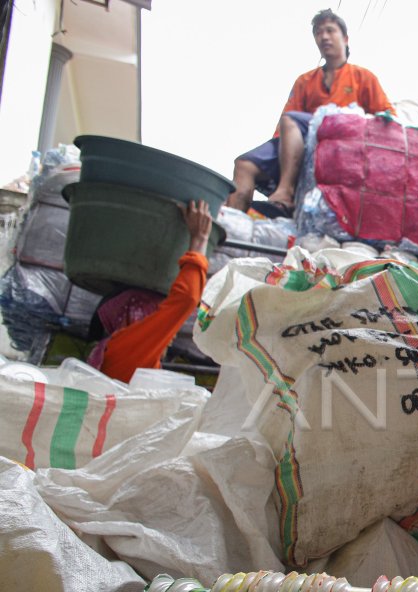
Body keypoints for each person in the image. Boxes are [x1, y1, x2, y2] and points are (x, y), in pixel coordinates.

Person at [226, 8, 393, 217]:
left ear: (345, 38)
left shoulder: (363, 77)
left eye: (330, 31)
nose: (324, 36)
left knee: (291, 121)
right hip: (300, 141)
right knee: (244, 164)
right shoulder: (305, 81)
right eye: (318, 32)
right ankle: (231, 223)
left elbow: (387, 116)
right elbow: (283, 129)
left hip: (340, 143)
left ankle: (285, 193)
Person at [87, 200, 212, 383]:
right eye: (159, 314)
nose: (173, 334)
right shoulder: (127, 349)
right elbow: (186, 299)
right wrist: (199, 239)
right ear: (139, 318)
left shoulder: (121, 356)